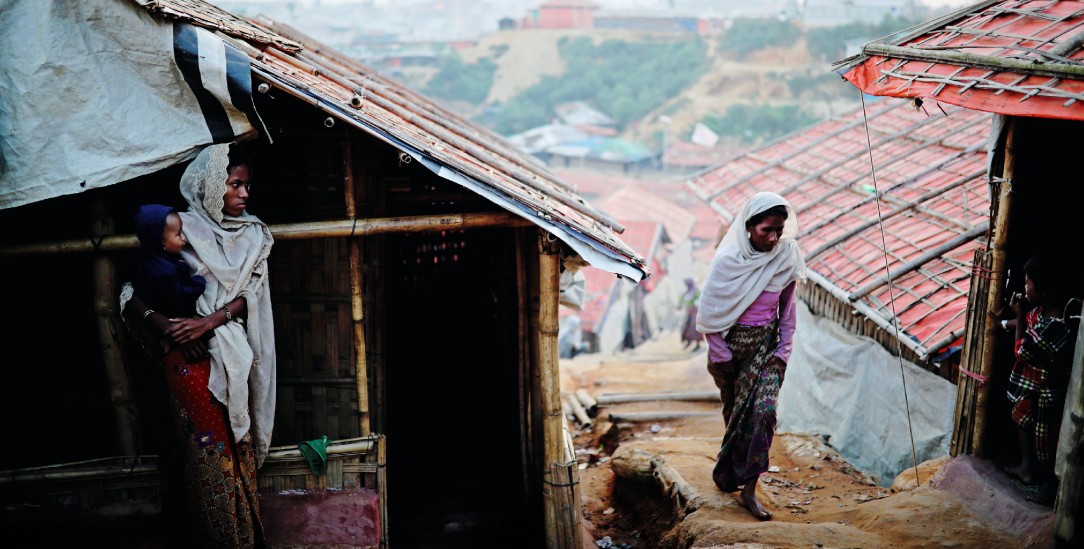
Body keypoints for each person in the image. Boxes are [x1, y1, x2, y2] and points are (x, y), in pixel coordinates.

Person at [121, 142, 277, 548]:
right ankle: (219, 539)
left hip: (232, 355)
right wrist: (167, 326)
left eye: (246, 185)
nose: (244, 194)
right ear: (211, 188)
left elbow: (254, 296)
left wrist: (207, 322)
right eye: (235, 184)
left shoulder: (255, 235)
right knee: (208, 454)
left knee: (237, 449)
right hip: (188, 362)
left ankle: (246, 538)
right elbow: (130, 291)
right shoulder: (178, 228)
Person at [696, 191, 805, 520]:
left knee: (764, 414)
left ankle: (749, 490)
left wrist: (783, 352)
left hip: (767, 348)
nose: (774, 238)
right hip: (729, 349)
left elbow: (787, 311)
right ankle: (728, 474)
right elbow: (709, 316)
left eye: (779, 230)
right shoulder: (728, 261)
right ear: (749, 227)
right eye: (766, 230)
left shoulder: (786, 257)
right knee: (736, 416)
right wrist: (722, 353)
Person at [1003, 256, 1080, 505]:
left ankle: (1047, 487)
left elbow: (1022, 350)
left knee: (1044, 441)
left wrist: (1019, 313)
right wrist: (1006, 321)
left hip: (1047, 392)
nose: (1024, 287)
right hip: (1032, 387)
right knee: (1022, 420)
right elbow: (1025, 324)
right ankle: (1027, 470)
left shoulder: (1058, 326)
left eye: (1027, 283)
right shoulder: (1040, 313)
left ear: (1043, 289)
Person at [679, 277, 703, 351]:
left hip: (694, 312)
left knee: (694, 328)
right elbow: (681, 299)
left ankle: (697, 344)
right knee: (686, 327)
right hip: (688, 312)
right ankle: (688, 341)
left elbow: (699, 300)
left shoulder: (696, 291)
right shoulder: (686, 292)